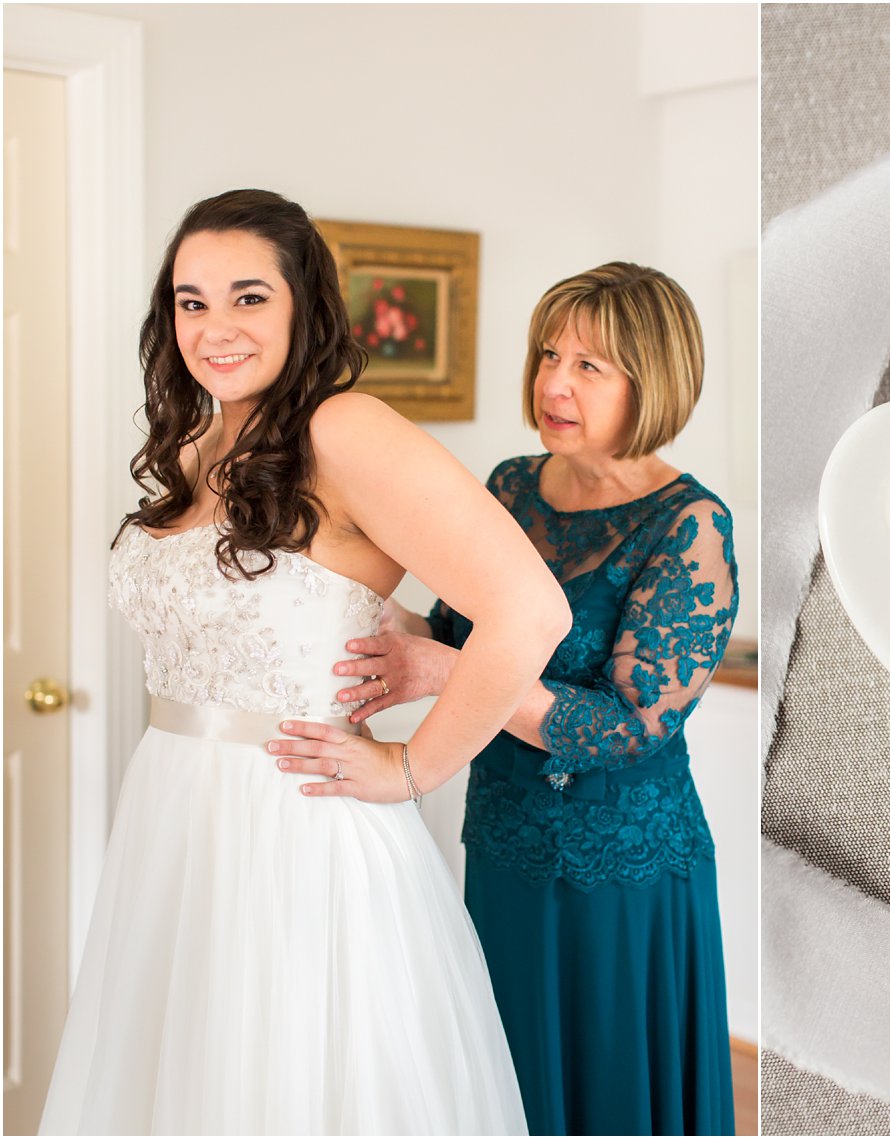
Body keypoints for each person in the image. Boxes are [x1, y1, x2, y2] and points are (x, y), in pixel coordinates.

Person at [39, 189, 570, 1135]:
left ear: (303, 307)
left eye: (248, 298)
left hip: (294, 825)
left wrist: (413, 767)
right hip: (171, 811)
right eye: (191, 301)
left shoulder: (343, 429)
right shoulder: (196, 439)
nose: (214, 326)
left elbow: (530, 610)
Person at [330, 262, 739, 1135]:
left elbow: (628, 727)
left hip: (620, 871)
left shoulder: (693, 527)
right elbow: (447, 627)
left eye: (589, 366)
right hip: (508, 843)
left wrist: (448, 674)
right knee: (500, 1082)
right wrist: (326, 574)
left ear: (654, 379)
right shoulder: (512, 485)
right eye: (549, 354)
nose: (554, 382)